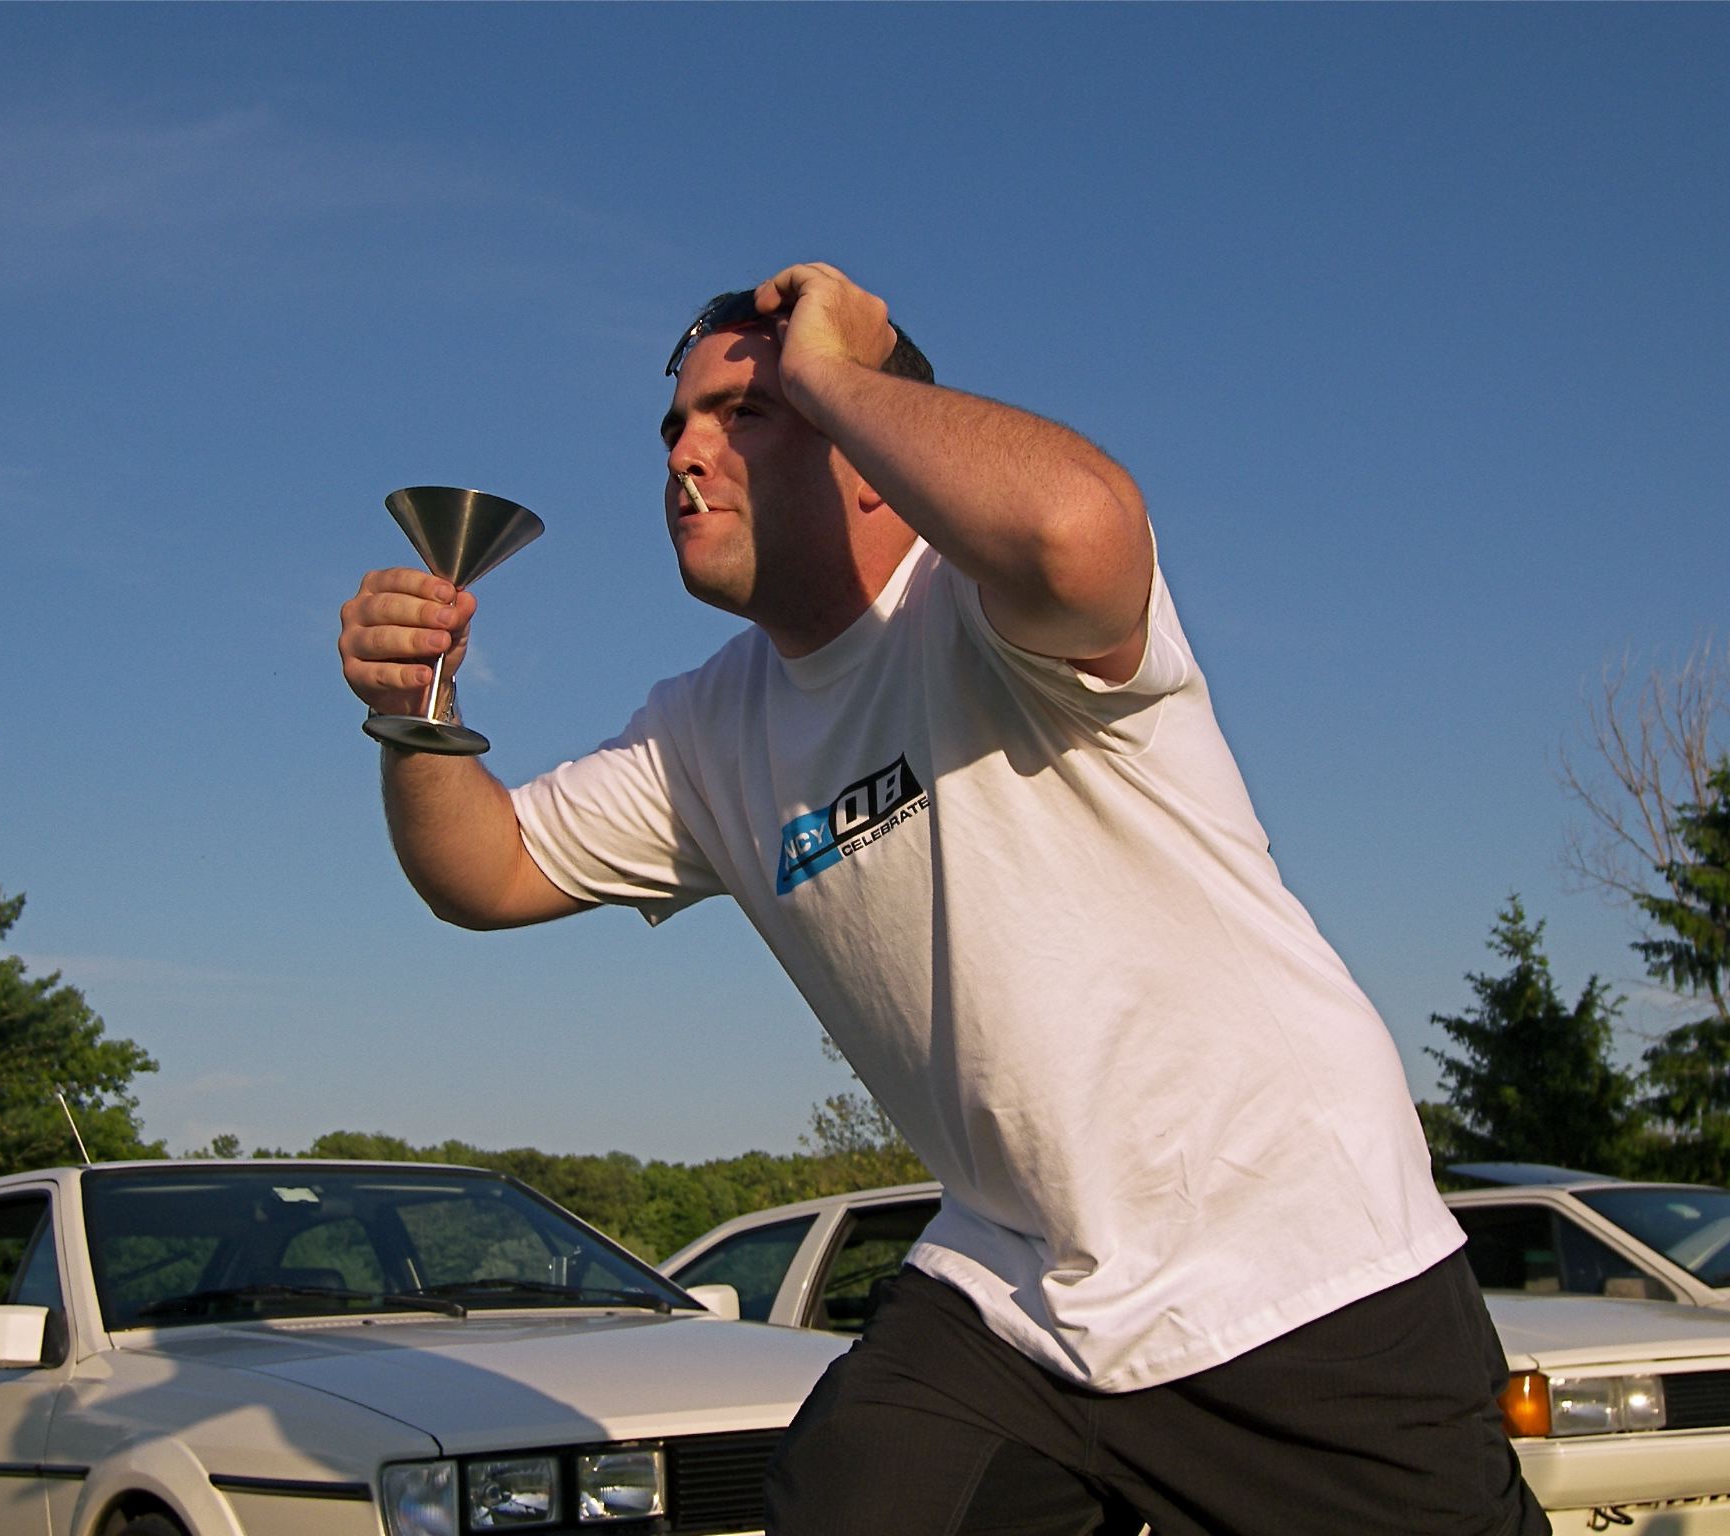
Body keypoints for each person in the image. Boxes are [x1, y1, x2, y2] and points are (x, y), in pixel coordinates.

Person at [338, 262, 1548, 1535]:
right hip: (1017, 1291)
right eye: (675, 426)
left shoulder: (980, 602)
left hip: (1293, 1258)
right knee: (854, 1496)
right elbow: (483, 871)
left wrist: (829, 369)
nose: (684, 457)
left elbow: (1077, 529)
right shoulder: (706, 731)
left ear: (867, 452)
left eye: (743, 415)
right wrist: (414, 713)